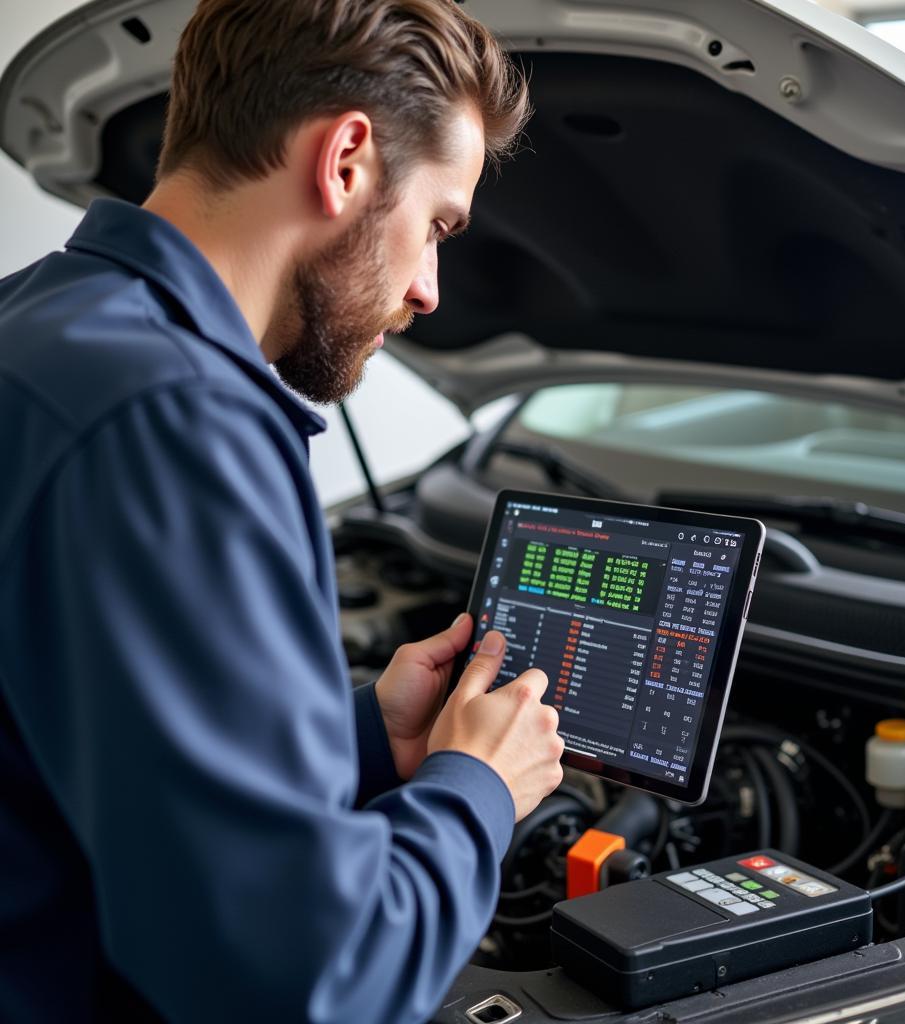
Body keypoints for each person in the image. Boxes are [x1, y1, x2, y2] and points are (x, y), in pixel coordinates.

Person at [0, 1, 565, 1021]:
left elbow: (65, 752)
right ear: (346, 158)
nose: (431, 288)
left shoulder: (37, 325)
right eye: (436, 224)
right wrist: (475, 789)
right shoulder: (173, 424)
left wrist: (360, 743)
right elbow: (299, 978)